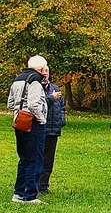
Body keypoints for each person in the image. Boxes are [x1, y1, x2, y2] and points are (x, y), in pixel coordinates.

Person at [7, 55, 49, 204]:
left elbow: (10, 104)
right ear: (40, 68)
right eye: (44, 68)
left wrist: (20, 112)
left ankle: (18, 193)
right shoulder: (35, 80)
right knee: (35, 159)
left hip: (19, 122)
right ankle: (30, 194)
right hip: (33, 124)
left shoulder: (17, 79)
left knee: (23, 158)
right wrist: (42, 120)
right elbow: (33, 104)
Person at [38, 66, 66, 195]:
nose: (45, 74)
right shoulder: (36, 88)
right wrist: (51, 98)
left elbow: (61, 107)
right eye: (42, 71)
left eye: (47, 71)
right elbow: (39, 104)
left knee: (49, 160)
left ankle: (43, 186)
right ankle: (34, 184)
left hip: (53, 130)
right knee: (37, 158)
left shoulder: (55, 88)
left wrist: (61, 121)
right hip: (40, 128)